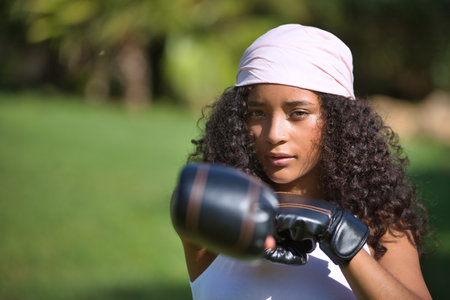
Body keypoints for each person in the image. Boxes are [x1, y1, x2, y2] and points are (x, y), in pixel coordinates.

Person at [172, 24, 432, 299]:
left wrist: (344, 241)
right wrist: (268, 212)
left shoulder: (382, 226)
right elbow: (190, 196)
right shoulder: (213, 211)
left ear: (338, 121)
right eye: (256, 113)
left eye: (297, 113)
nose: (274, 134)